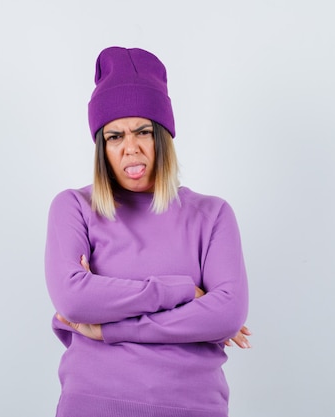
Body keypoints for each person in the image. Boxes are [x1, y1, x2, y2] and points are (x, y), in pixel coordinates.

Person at [44, 46, 251, 417]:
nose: (131, 149)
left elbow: (227, 315)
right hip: (93, 406)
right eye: (114, 137)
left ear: (163, 137)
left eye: (143, 131)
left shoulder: (212, 214)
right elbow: (74, 301)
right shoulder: (73, 207)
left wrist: (109, 329)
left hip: (193, 407)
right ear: (101, 148)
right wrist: (184, 291)